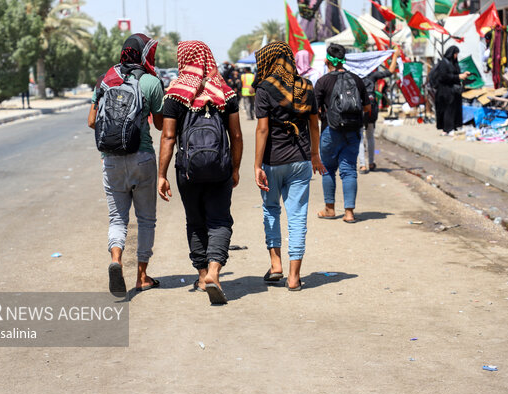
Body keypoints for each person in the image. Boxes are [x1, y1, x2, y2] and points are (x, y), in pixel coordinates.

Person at [158, 40, 243, 305]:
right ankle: (215, 272)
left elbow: (169, 136)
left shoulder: (175, 93)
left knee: (195, 221)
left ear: (183, 59)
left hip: (188, 171)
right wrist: (235, 168)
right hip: (220, 170)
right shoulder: (225, 92)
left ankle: (203, 274)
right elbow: (236, 135)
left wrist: (162, 174)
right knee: (219, 220)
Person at [87, 33, 164, 296]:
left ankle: (116, 260)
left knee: (117, 218)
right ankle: (142, 276)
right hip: (142, 157)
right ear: (144, 54)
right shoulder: (152, 82)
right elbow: (162, 124)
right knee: (146, 220)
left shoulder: (105, 79)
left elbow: (91, 121)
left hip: (111, 159)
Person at [253, 41, 325, 291]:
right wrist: (315, 155)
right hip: (301, 159)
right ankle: (294, 277)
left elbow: (262, 129)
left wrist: (256, 165)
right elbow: (315, 125)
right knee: (297, 217)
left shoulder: (264, 88)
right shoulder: (306, 86)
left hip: (273, 161)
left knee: (271, 209)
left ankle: (276, 264)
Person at [314, 43, 370, 223]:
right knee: (349, 170)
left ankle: (329, 209)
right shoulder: (356, 80)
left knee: (328, 169)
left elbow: (313, 111)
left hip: (331, 131)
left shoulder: (323, 82)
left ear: (327, 60)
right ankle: (349, 213)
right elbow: (367, 107)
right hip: (353, 131)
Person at [359, 48, 399, 173]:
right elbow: (391, 71)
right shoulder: (373, 75)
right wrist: (395, 56)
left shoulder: (354, 74)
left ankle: (362, 165)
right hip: (371, 108)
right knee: (370, 135)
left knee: (359, 137)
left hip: (358, 109)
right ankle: (371, 163)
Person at [435, 46, 470, 135]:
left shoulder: (453, 63)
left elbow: (455, 74)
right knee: (448, 110)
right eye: (455, 54)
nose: (456, 56)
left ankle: (453, 127)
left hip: (454, 90)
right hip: (445, 90)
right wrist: (458, 77)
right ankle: (447, 129)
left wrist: (463, 75)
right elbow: (444, 76)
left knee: (454, 109)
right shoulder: (444, 63)